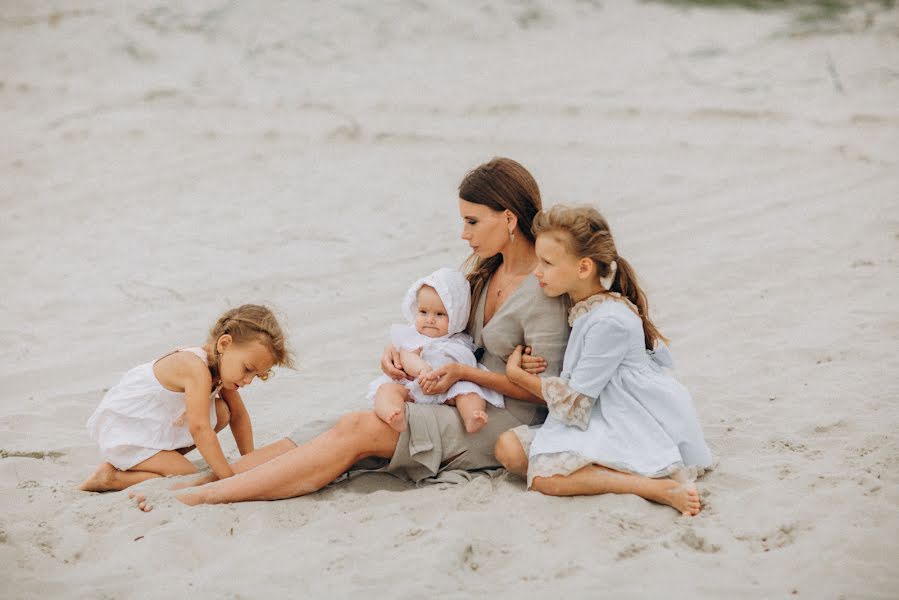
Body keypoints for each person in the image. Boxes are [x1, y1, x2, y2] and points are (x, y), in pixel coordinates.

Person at [131, 156, 571, 510]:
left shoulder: (543, 290)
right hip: (447, 397)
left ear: (509, 219)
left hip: (500, 423)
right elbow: (443, 334)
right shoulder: (482, 276)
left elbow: (545, 395)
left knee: (359, 428)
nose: (463, 233)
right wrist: (399, 354)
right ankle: (214, 477)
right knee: (332, 425)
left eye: (473, 221)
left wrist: (464, 374)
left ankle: (212, 495)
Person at [497, 204, 713, 516]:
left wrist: (518, 377)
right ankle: (600, 469)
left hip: (621, 415)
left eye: (547, 263)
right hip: (597, 409)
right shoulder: (586, 306)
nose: (537, 271)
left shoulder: (608, 321)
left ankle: (655, 488)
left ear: (583, 268)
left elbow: (575, 403)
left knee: (545, 478)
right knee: (509, 449)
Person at [78, 304, 293, 493]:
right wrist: (229, 479)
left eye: (257, 376)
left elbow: (238, 416)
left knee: (222, 412)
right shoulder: (195, 368)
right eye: (247, 369)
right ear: (224, 344)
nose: (248, 380)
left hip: (153, 427)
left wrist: (250, 460)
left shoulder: (221, 368)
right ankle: (110, 478)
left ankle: (159, 461)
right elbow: (199, 428)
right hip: (128, 430)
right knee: (192, 478)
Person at [370, 267, 504, 434]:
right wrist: (423, 371)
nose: (430, 320)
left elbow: (468, 362)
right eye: (423, 312)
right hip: (418, 383)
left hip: (453, 385)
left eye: (440, 314)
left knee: (470, 392)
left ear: (457, 317)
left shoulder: (460, 339)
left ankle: (472, 417)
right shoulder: (416, 336)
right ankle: (393, 413)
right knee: (387, 390)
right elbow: (407, 356)